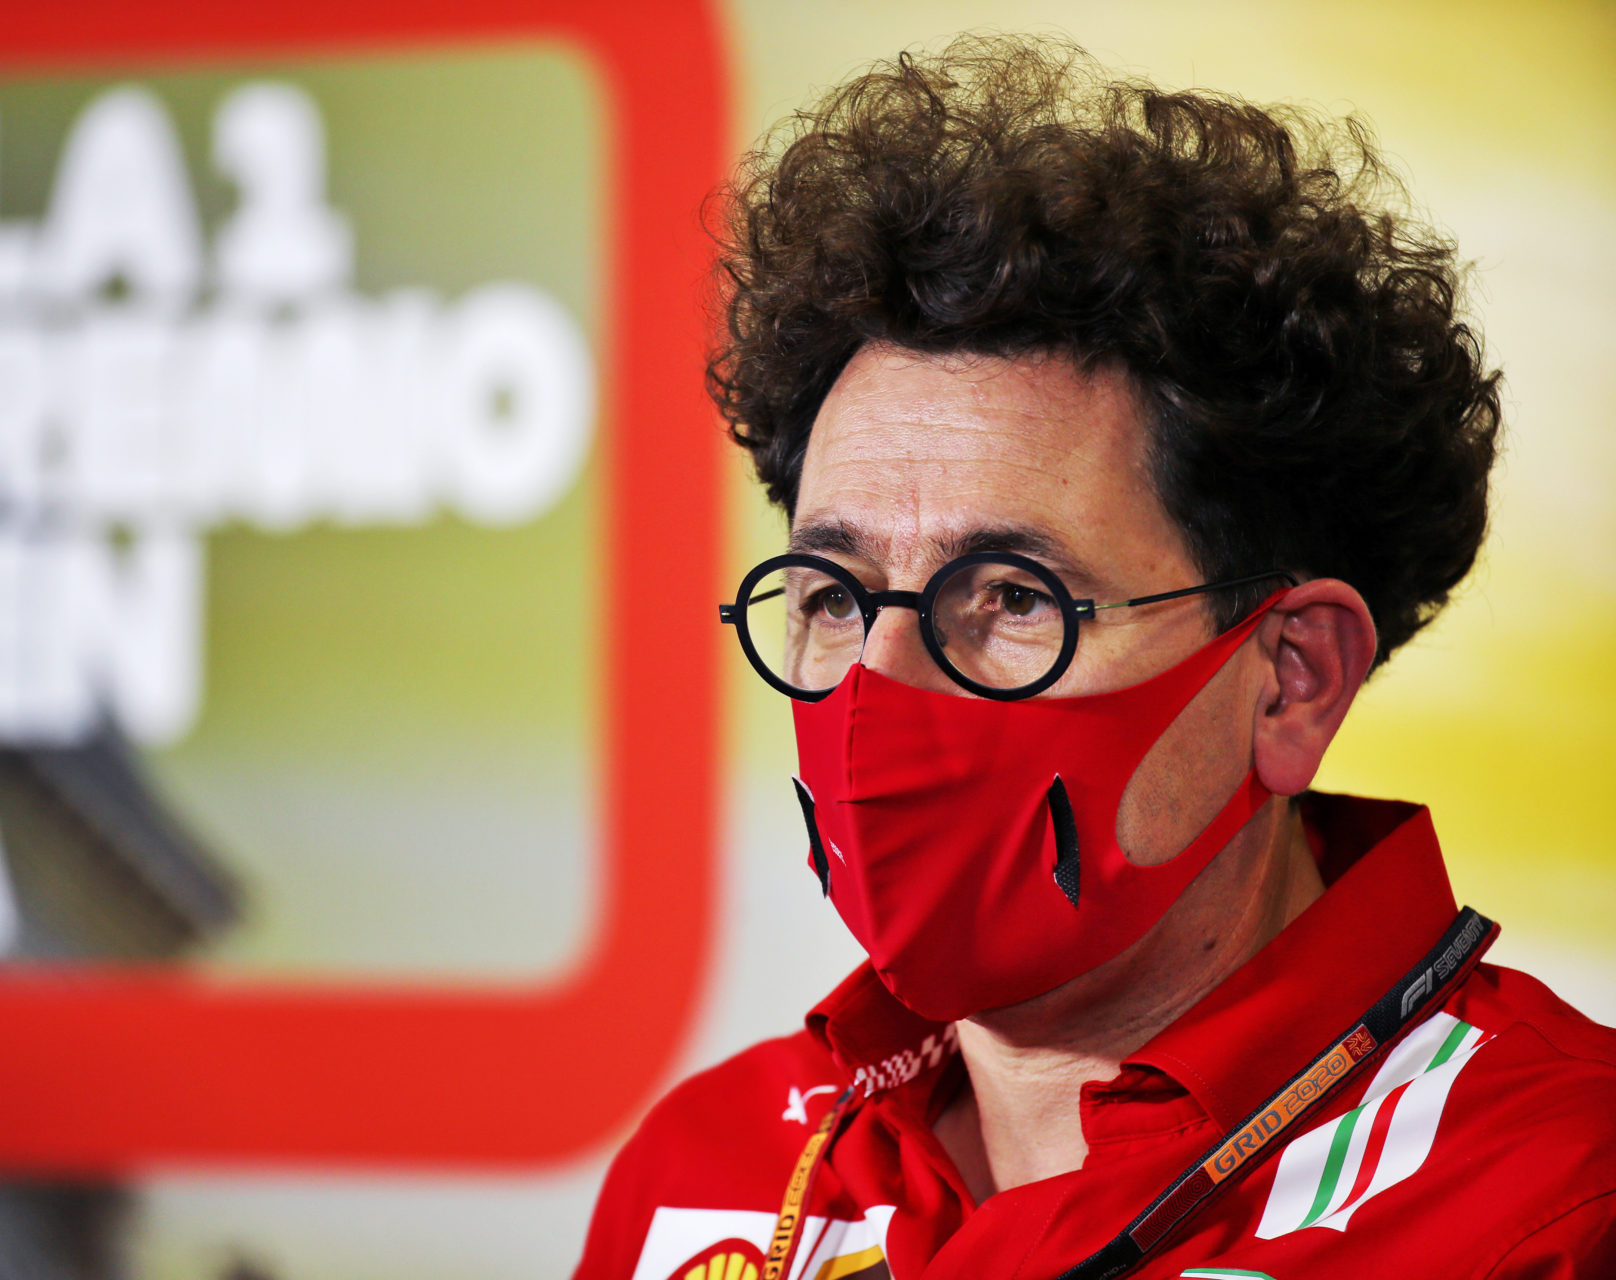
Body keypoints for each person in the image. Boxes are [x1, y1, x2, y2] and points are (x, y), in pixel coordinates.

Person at [573, 35, 1616, 1280]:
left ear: (1292, 677)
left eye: (1013, 596)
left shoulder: (1555, 1200)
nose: (876, 683)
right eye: (835, 596)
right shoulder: (708, 1172)